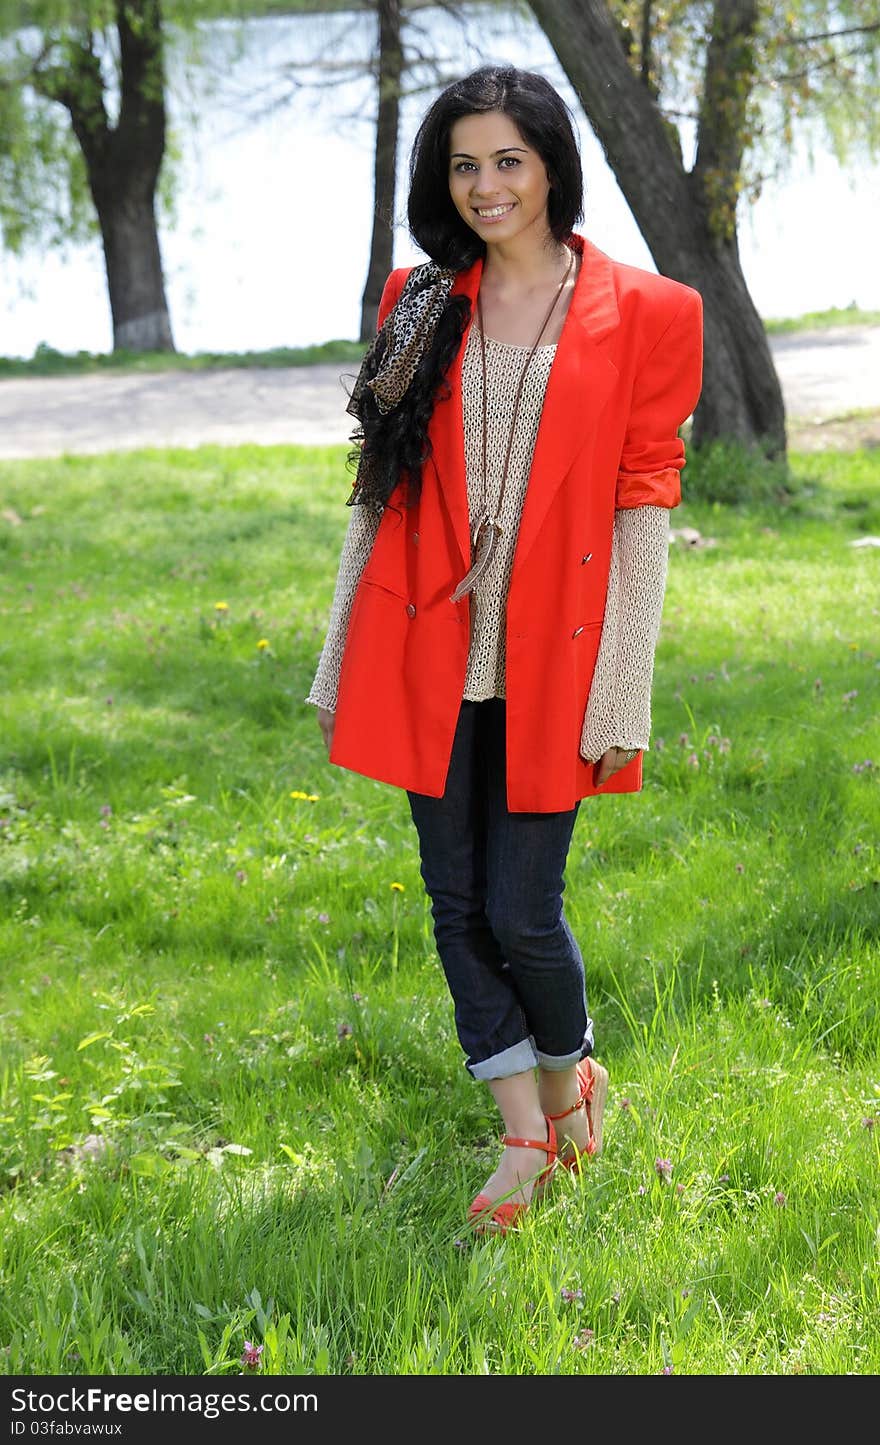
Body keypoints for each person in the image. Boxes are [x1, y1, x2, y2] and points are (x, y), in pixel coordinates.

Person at [305, 65, 703, 1234]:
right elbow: (373, 489)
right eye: (464, 164)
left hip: (554, 657)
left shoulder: (652, 311)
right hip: (425, 643)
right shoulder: (416, 299)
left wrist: (622, 683)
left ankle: (571, 1068)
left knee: (524, 906)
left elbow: (642, 503)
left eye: (508, 161)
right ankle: (523, 1128)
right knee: (450, 897)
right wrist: (339, 661)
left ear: (550, 166)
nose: (485, 186)